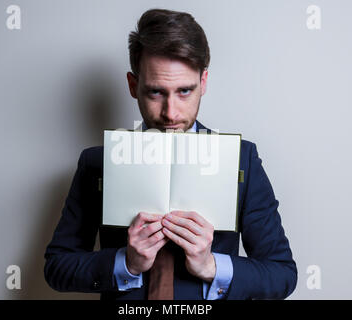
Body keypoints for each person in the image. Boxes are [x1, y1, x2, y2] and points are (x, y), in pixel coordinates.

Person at [44, 8, 297, 300]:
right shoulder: (96, 164)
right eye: (155, 92)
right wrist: (125, 263)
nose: (170, 113)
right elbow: (57, 267)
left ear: (203, 83)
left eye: (185, 91)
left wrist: (212, 266)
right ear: (132, 85)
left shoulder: (242, 160)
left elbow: (282, 274)